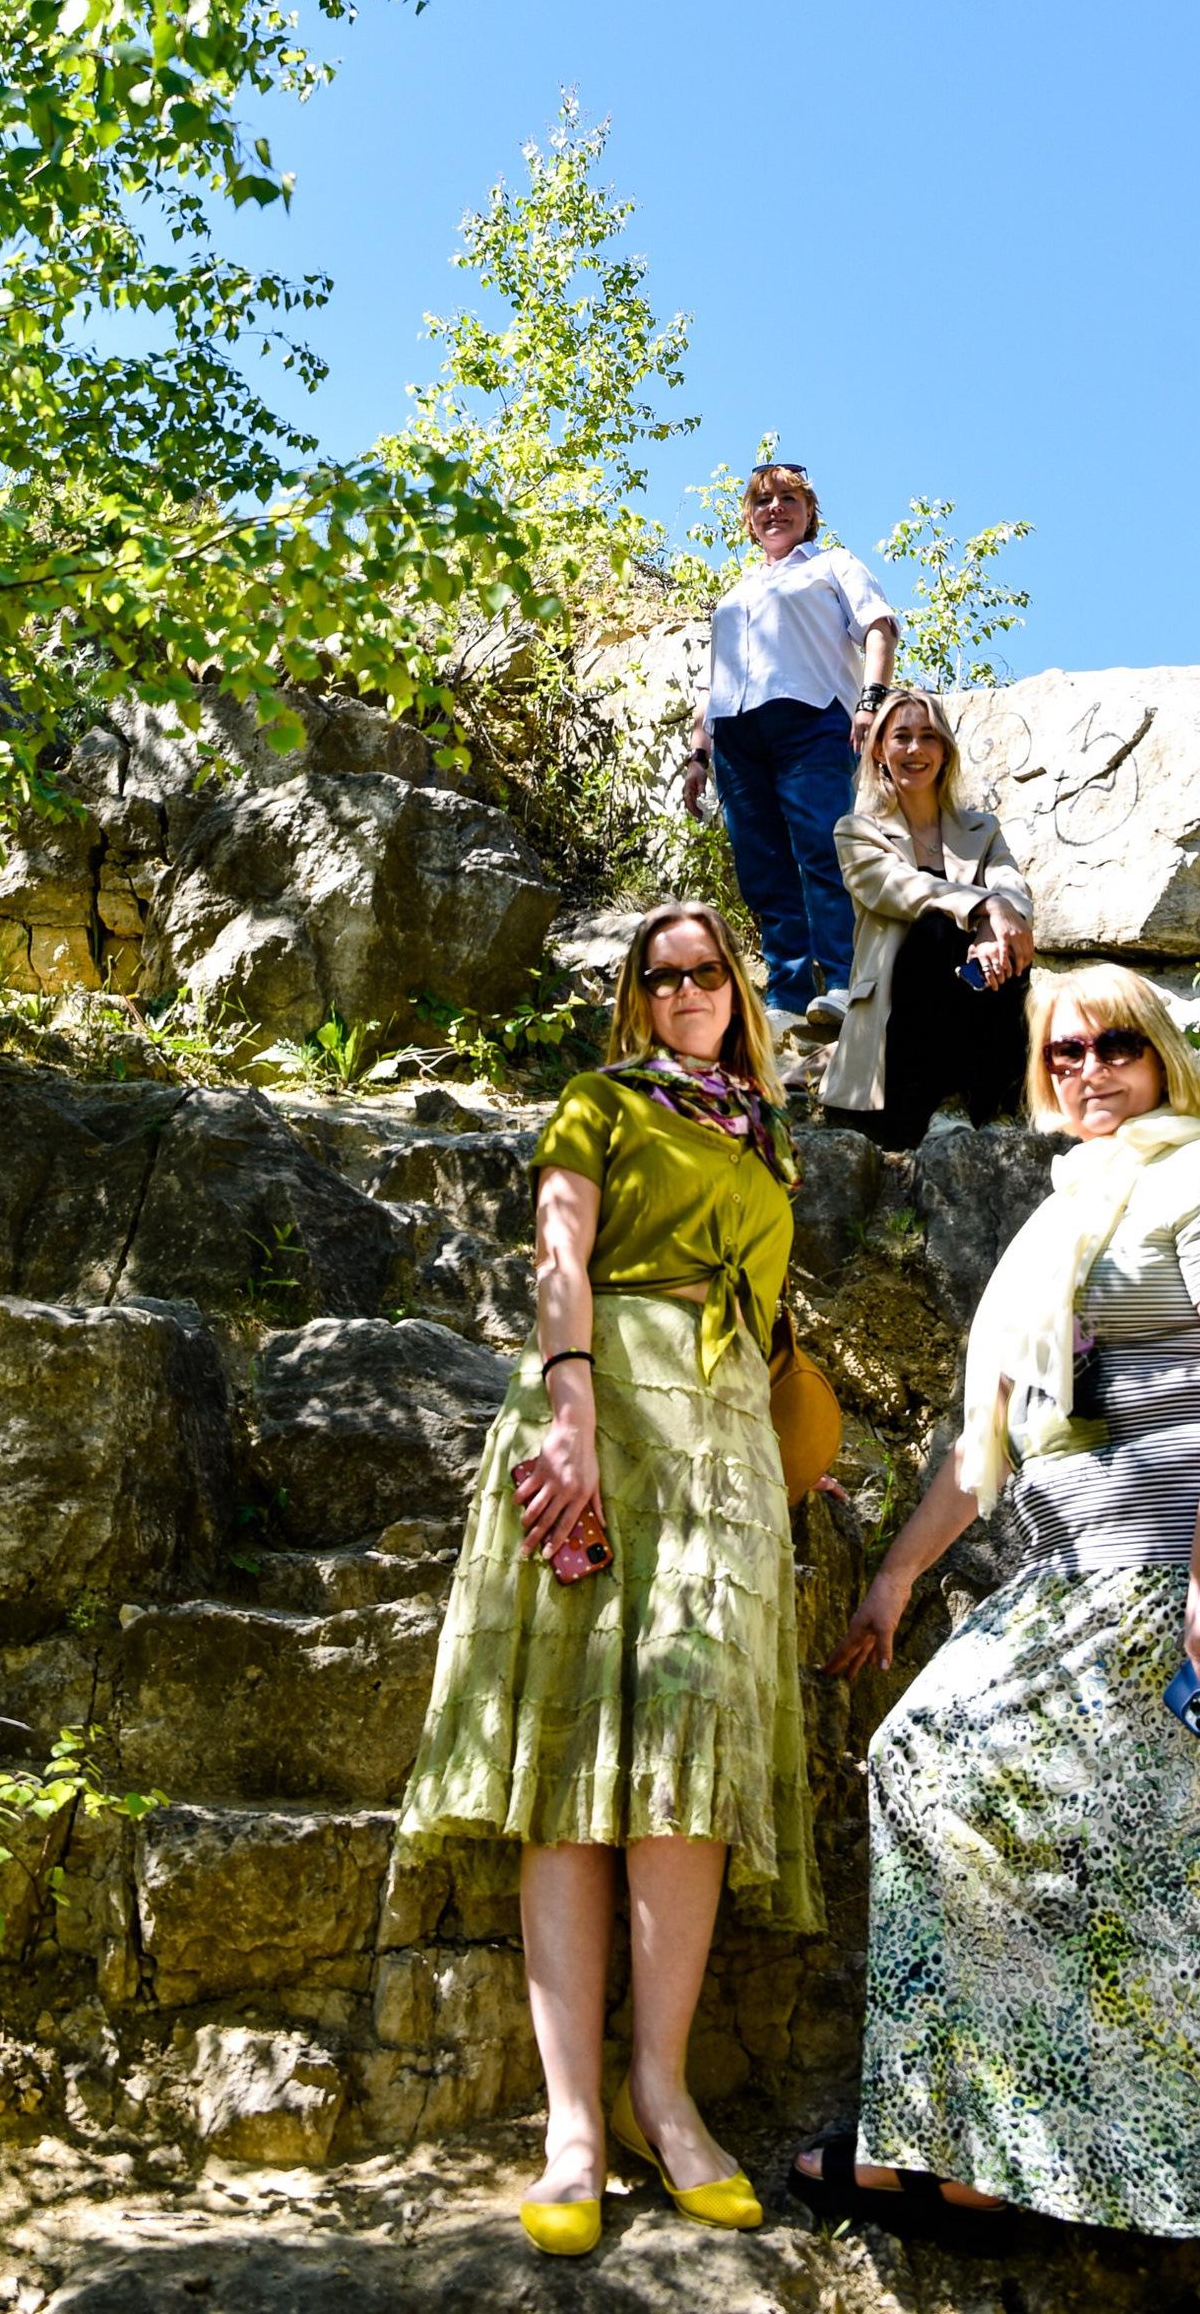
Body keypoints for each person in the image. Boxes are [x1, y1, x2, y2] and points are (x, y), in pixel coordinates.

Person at [795, 961, 1200, 2308]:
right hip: (1086, 1575)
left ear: (1164, 1055)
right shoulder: (1069, 1213)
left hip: (1194, 1582)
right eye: (1063, 1052)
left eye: (1117, 1043)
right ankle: (991, 2140)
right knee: (941, 1763)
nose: (1089, 1068)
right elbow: (990, 1434)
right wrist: (893, 1580)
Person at [393, 899, 821, 2259]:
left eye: (706, 969)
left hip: (725, 1444)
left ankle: (662, 2092)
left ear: (736, 992)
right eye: (662, 971)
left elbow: (768, 1323)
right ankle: (573, 2123)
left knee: (687, 1762)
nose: (686, 985)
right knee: (574, 1768)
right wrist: (569, 1410)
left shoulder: (764, 1134)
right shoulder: (599, 1101)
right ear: (637, 993)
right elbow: (561, 1254)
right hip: (604, 1415)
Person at [681, 458, 897, 1041]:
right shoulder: (738, 590)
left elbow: (879, 627)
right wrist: (699, 753)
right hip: (736, 738)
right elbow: (714, 680)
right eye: (762, 502)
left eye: (787, 499)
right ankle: (788, 991)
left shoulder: (833, 564)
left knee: (823, 850)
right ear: (750, 521)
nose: (773, 508)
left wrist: (872, 700)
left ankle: (843, 983)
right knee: (763, 868)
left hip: (810, 720)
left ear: (809, 515)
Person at [820, 689, 1036, 1148]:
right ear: (880, 749)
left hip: (977, 1014)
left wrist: (990, 924)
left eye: (928, 737)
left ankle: (993, 1099)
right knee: (937, 929)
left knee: (1009, 939)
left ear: (944, 751)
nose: (915, 749)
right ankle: (944, 1100)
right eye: (902, 737)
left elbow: (1012, 888)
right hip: (899, 1057)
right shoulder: (856, 831)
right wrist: (984, 907)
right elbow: (903, 890)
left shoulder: (983, 829)